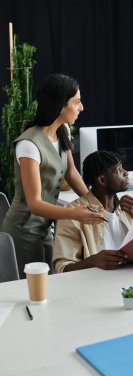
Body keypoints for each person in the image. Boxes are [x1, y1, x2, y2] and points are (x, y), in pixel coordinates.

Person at [2, 73, 104, 278]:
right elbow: (34, 204)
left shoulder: (62, 131)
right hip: (24, 231)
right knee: (31, 292)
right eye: (77, 102)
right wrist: (76, 212)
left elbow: (71, 172)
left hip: (45, 226)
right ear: (60, 106)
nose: (81, 107)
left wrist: (95, 202)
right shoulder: (28, 145)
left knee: (51, 281)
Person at [53, 151, 133, 272]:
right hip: (95, 285)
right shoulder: (72, 213)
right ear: (102, 180)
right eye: (119, 170)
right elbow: (62, 267)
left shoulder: (130, 208)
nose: (126, 173)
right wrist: (93, 262)